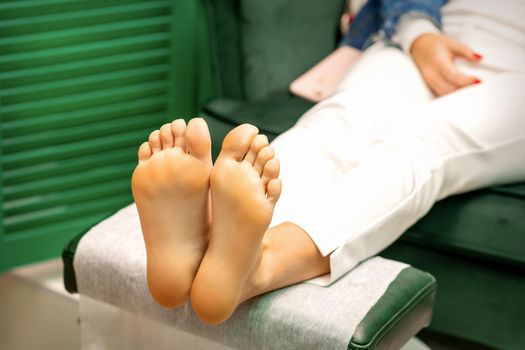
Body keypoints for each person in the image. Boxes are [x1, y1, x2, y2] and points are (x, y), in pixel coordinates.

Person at [131, 0, 525, 324]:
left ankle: (259, 267)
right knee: (337, 122)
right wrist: (417, 31)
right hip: (433, 31)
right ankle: (206, 241)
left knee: (420, 146)